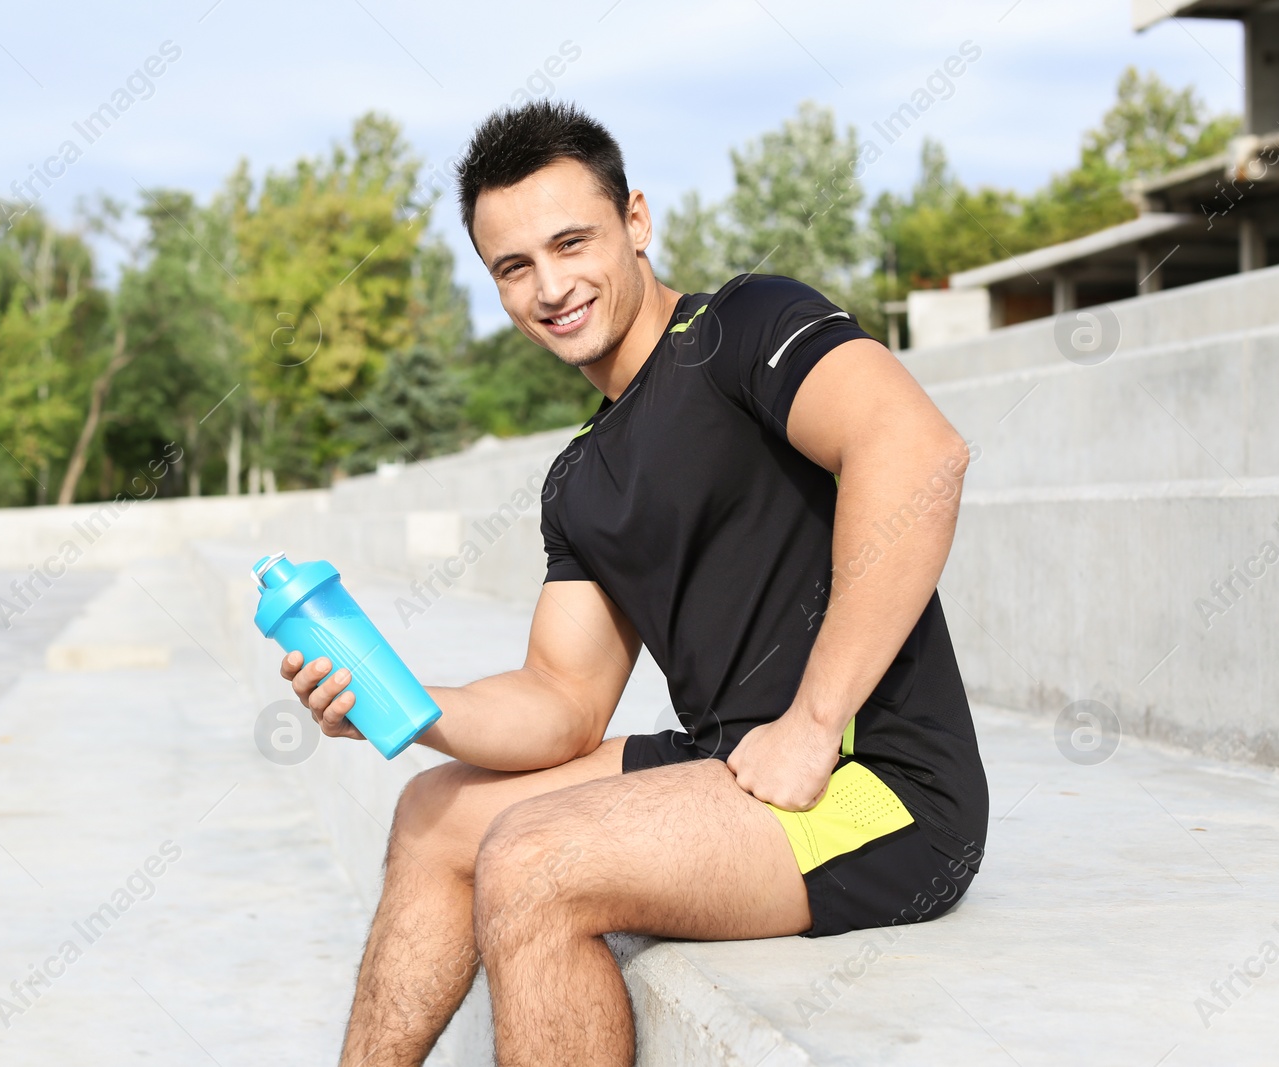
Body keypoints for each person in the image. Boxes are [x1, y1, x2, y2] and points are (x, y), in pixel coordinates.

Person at [278, 99, 988, 1067]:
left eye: (571, 241)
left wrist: (815, 720)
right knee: (433, 814)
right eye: (513, 267)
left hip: (878, 785)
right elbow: (559, 699)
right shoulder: (579, 477)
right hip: (724, 761)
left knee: (531, 863)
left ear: (636, 221)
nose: (551, 286)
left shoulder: (744, 325)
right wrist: (393, 702)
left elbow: (917, 453)